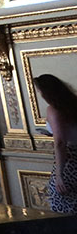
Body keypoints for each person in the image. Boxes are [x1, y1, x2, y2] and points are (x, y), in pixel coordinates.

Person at [34, 74, 77, 212]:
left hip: (70, 161)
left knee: (63, 207)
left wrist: (59, 175)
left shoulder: (53, 109)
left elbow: (60, 143)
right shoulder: (73, 103)